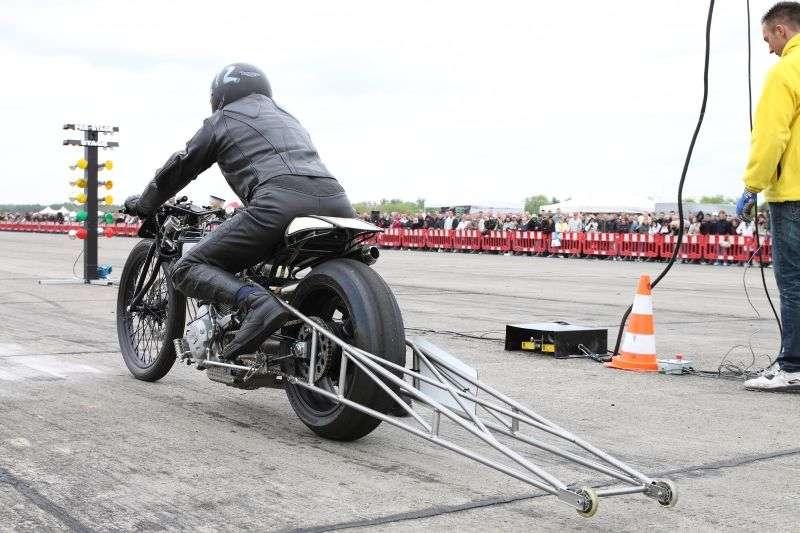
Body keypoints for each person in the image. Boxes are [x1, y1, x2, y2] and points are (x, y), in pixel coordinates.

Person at [124, 63, 354, 361]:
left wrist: (145, 204)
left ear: (219, 95)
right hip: (338, 204)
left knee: (186, 267)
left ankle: (257, 303)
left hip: (277, 204)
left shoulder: (222, 119)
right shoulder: (289, 119)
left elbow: (180, 166)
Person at [736, 3, 800, 391]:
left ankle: (792, 366)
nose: (769, 49)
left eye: (767, 40)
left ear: (781, 30)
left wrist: (752, 185)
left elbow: (772, 135)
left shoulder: (785, 71)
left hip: (793, 194)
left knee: (793, 282)